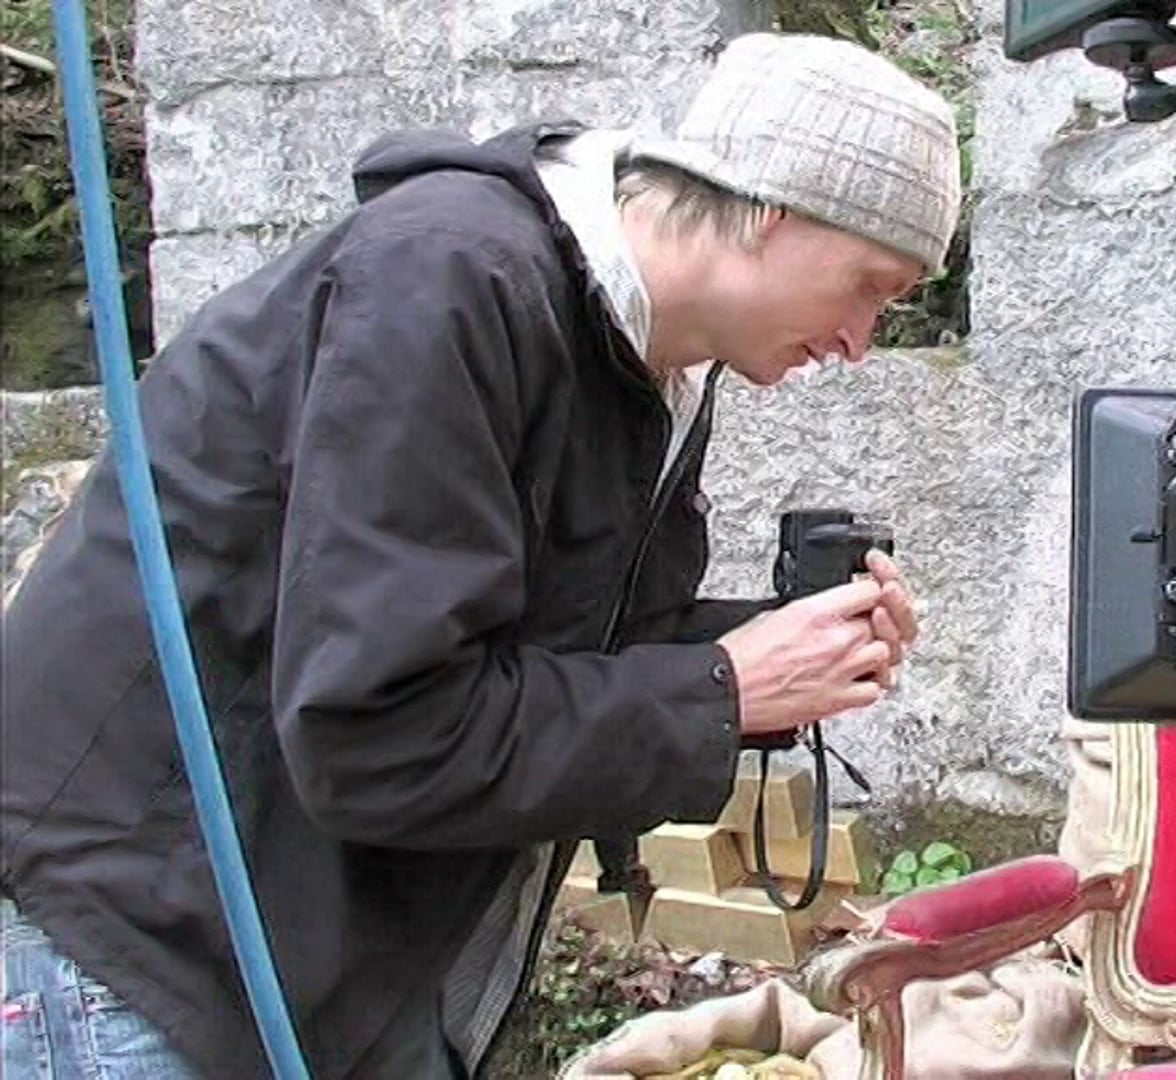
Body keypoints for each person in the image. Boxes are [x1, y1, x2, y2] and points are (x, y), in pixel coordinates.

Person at [0, 30, 960, 1080]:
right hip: (145, 951)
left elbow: (545, 658)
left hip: (327, 955)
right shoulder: (448, 280)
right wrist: (725, 687)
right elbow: (376, 732)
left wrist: (784, 660)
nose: (862, 339)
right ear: (773, 207)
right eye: (869, 284)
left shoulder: (654, 367)